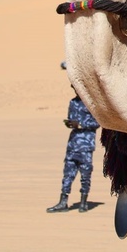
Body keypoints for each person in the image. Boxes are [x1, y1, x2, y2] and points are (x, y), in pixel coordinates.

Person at [47, 68, 100, 213]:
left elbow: (98, 123)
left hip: (86, 145)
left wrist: (81, 125)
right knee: (68, 174)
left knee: (85, 174)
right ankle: (63, 202)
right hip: (73, 144)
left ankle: (83, 202)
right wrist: (71, 124)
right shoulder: (73, 103)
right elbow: (72, 119)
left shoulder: (92, 104)